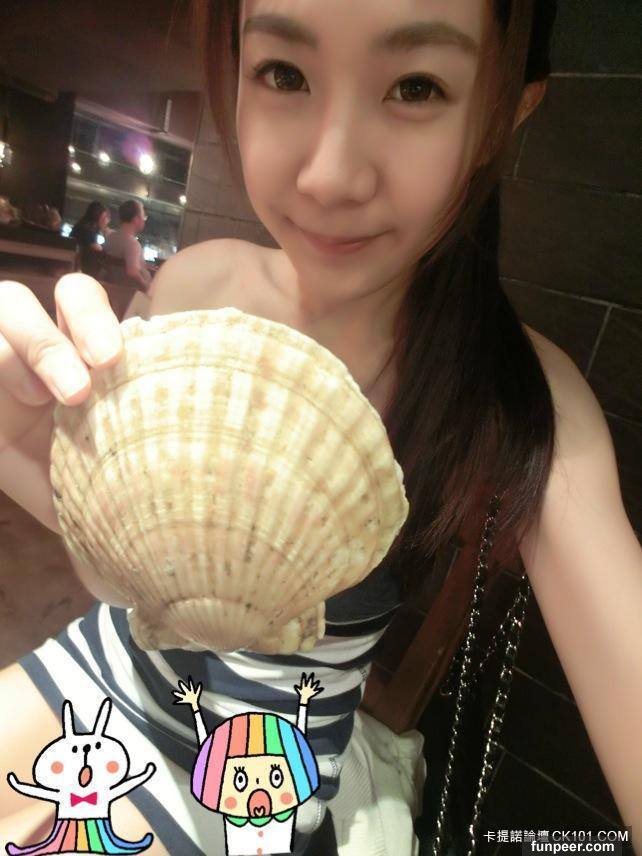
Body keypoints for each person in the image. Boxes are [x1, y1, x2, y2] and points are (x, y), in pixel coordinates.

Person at [0, 2, 640, 854]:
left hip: (267, 764)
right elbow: (124, 574)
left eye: (417, 87)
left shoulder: (522, 399)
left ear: (503, 114)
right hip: (108, 666)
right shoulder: (195, 286)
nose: (330, 175)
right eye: (284, 73)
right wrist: (21, 450)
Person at [103, 199, 153, 291]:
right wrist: (147, 287)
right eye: (143, 216)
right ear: (135, 219)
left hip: (112, 288)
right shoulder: (132, 244)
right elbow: (132, 271)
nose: (144, 220)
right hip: (130, 293)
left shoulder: (110, 237)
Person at [70, 202, 112, 276]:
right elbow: (100, 252)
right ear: (97, 216)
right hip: (83, 270)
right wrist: (108, 236)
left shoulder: (82, 226)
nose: (107, 221)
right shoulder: (88, 231)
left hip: (76, 266)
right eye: (105, 217)